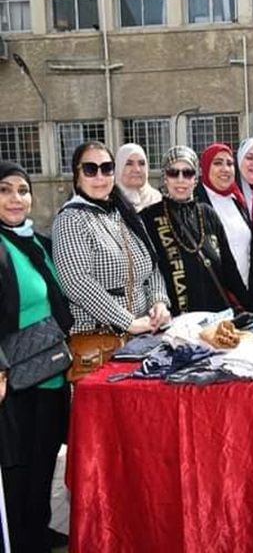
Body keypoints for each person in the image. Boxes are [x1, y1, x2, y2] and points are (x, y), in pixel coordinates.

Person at [0, 161, 72, 553]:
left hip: (50, 374)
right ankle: (21, 540)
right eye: (5, 190)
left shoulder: (38, 242)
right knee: (18, 469)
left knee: (44, 463)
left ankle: (38, 530)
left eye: (23, 190)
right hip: (13, 380)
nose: (16, 198)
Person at [52, 141, 171, 337]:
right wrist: (128, 322)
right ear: (77, 175)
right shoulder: (70, 218)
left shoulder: (124, 212)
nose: (100, 176)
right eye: (90, 169)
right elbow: (77, 283)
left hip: (143, 334)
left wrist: (159, 302)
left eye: (107, 168)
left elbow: (152, 265)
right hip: (99, 338)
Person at [140, 146, 249, 314]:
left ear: (195, 178)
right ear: (165, 177)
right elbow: (147, 275)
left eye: (188, 173)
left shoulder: (207, 213)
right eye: (173, 173)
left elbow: (229, 269)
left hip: (216, 321)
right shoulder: (148, 218)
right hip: (176, 325)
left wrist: (251, 307)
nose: (181, 179)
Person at [195, 143, 253, 295]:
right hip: (215, 293)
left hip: (246, 292)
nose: (225, 169)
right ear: (204, 167)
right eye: (217, 163)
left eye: (229, 163)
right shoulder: (196, 204)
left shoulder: (237, 200)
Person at [115, 143, 161, 212]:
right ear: (119, 168)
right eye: (129, 164)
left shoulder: (157, 199)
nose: (137, 169)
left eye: (141, 163)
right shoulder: (111, 201)